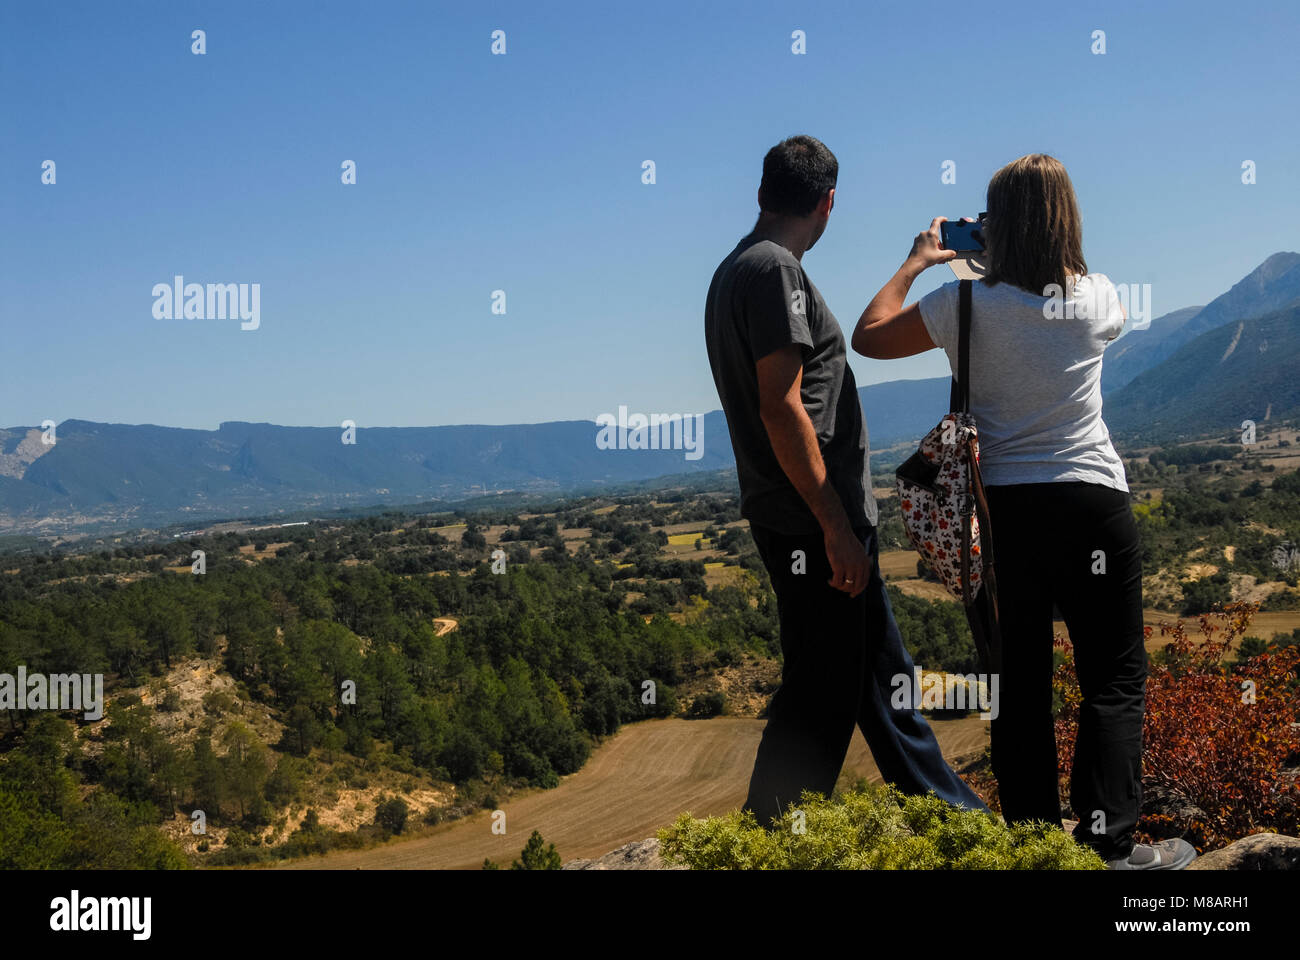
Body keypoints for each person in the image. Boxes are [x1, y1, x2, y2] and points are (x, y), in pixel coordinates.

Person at [851, 153, 1196, 869]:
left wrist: (922, 262)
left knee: (1018, 684)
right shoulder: (1099, 299)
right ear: (1068, 217)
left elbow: (870, 335)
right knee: (1114, 676)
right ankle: (1107, 845)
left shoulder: (963, 306)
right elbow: (1056, 306)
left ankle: (1039, 851)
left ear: (995, 224)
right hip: (1093, 500)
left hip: (1005, 512)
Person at [704, 135, 988, 827]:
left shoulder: (736, 270)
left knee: (881, 683)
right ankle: (769, 837)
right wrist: (834, 525)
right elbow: (782, 405)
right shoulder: (774, 272)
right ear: (828, 202)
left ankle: (957, 822)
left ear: (761, 192)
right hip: (813, 519)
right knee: (821, 697)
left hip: (804, 516)